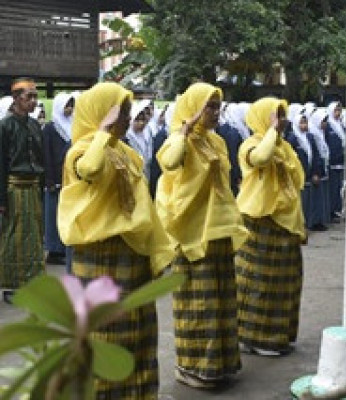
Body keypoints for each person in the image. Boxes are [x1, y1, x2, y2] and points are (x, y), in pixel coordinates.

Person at [57, 82, 175, 399]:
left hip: (131, 255)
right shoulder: (80, 151)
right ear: (100, 114)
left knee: (137, 332)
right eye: (120, 112)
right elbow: (90, 169)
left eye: (126, 112)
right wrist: (103, 131)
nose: (126, 118)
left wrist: (155, 252)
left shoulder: (128, 153)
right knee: (105, 335)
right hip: (98, 258)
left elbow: (144, 206)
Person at [156, 82, 248, 388]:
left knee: (221, 302)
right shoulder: (178, 141)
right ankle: (192, 367)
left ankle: (221, 364)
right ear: (193, 108)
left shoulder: (217, 142)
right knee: (197, 304)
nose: (215, 112)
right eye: (209, 106)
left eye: (217, 106)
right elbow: (168, 162)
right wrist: (186, 129)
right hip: (192, 232)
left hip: (219, 231)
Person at [235, 97, 305, 356]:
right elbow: (261, 158)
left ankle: (277, 335)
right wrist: (273, 132)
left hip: (284, 225)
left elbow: (298, 180)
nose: (281, 122)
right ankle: (255, 337)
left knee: (284, 283)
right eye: (275, 116)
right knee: (257, 283)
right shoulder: (250, 145)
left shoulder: (284, 147)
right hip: (259, 222)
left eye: (283, 116)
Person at [0, 78, 45, 304]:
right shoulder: (5, 125)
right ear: (17, 99)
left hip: (33, 187)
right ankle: (11, 286)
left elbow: (41, 159)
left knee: (35, 236)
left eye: (35, 97)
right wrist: (1, 199)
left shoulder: (35, 125)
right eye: (30, 97)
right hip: (14, 188)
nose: (34, 101)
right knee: (14, 237)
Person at [43, 92, 75, 265]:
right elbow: (46, 154)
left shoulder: (72, 125)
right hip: (54, 178)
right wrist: (49, 179)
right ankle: (54, 250)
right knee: (53, 214)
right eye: (67, 105)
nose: (70, 109)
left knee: (64, 214)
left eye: (71, 105)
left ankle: (62, 248)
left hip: (67, 177)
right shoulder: (50, 128)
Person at [325, 102, 346, 221]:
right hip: (332, 163)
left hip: (340, 163)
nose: (338, 113)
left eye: (339, 110)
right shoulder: (328, 126)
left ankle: (336, 209)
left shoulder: (341, 125)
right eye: (336, 111)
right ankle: (331, 211)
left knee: (338, 188)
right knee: (332, 189)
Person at [125, 100, 153, 181]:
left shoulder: (147, 134)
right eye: (137, 120)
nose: (141, 123)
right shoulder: (127, 137)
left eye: (143, 120)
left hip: (146, 173)